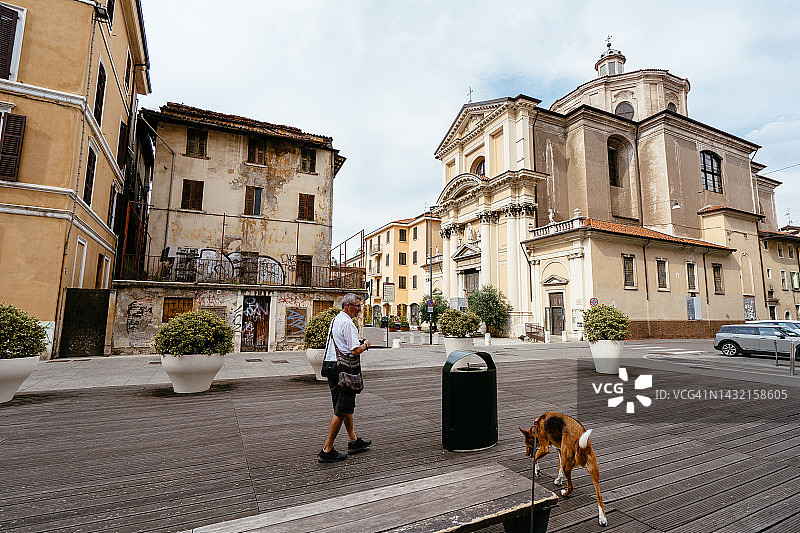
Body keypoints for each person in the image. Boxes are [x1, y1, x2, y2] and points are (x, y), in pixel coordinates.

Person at [318, 293, 372, 462]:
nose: (359, 310)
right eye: (357, 306)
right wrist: (365, 345)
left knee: (344, 406)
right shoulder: (348, 323)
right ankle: (327, 450)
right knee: (342, 409)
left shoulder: (337, 319)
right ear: (348, 306)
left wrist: (357, 342)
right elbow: (354, 350)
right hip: (343, 369)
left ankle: (353, 440)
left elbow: (343, 343)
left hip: (331, 366)